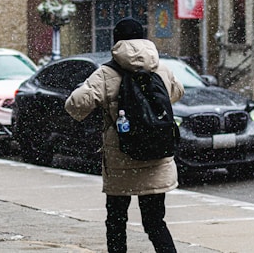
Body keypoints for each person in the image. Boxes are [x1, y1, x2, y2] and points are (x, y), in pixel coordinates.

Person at [65, 17, 184, 253]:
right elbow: (177, 92)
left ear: (116, 40)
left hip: (122, 156)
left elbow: (74, 105)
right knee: (155, 222)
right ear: (142, 38)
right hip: (156, 156)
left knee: (117, 221)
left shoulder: (106, 73)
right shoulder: (161, 68)